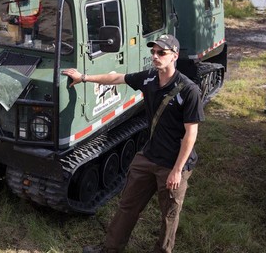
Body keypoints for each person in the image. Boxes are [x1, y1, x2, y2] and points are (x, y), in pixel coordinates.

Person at [62, 34, 204, 253]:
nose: (155, 57)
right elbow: (117, 78)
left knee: (168, 216)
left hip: (173, 164)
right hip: (148, 156)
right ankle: (110, 249)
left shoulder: (188, 90)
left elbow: (190, 135)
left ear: (174, 56)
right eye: (153, 52)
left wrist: (176, 171)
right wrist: (83, 77)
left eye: (161, 53)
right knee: (127, 206)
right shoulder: (148, 78)